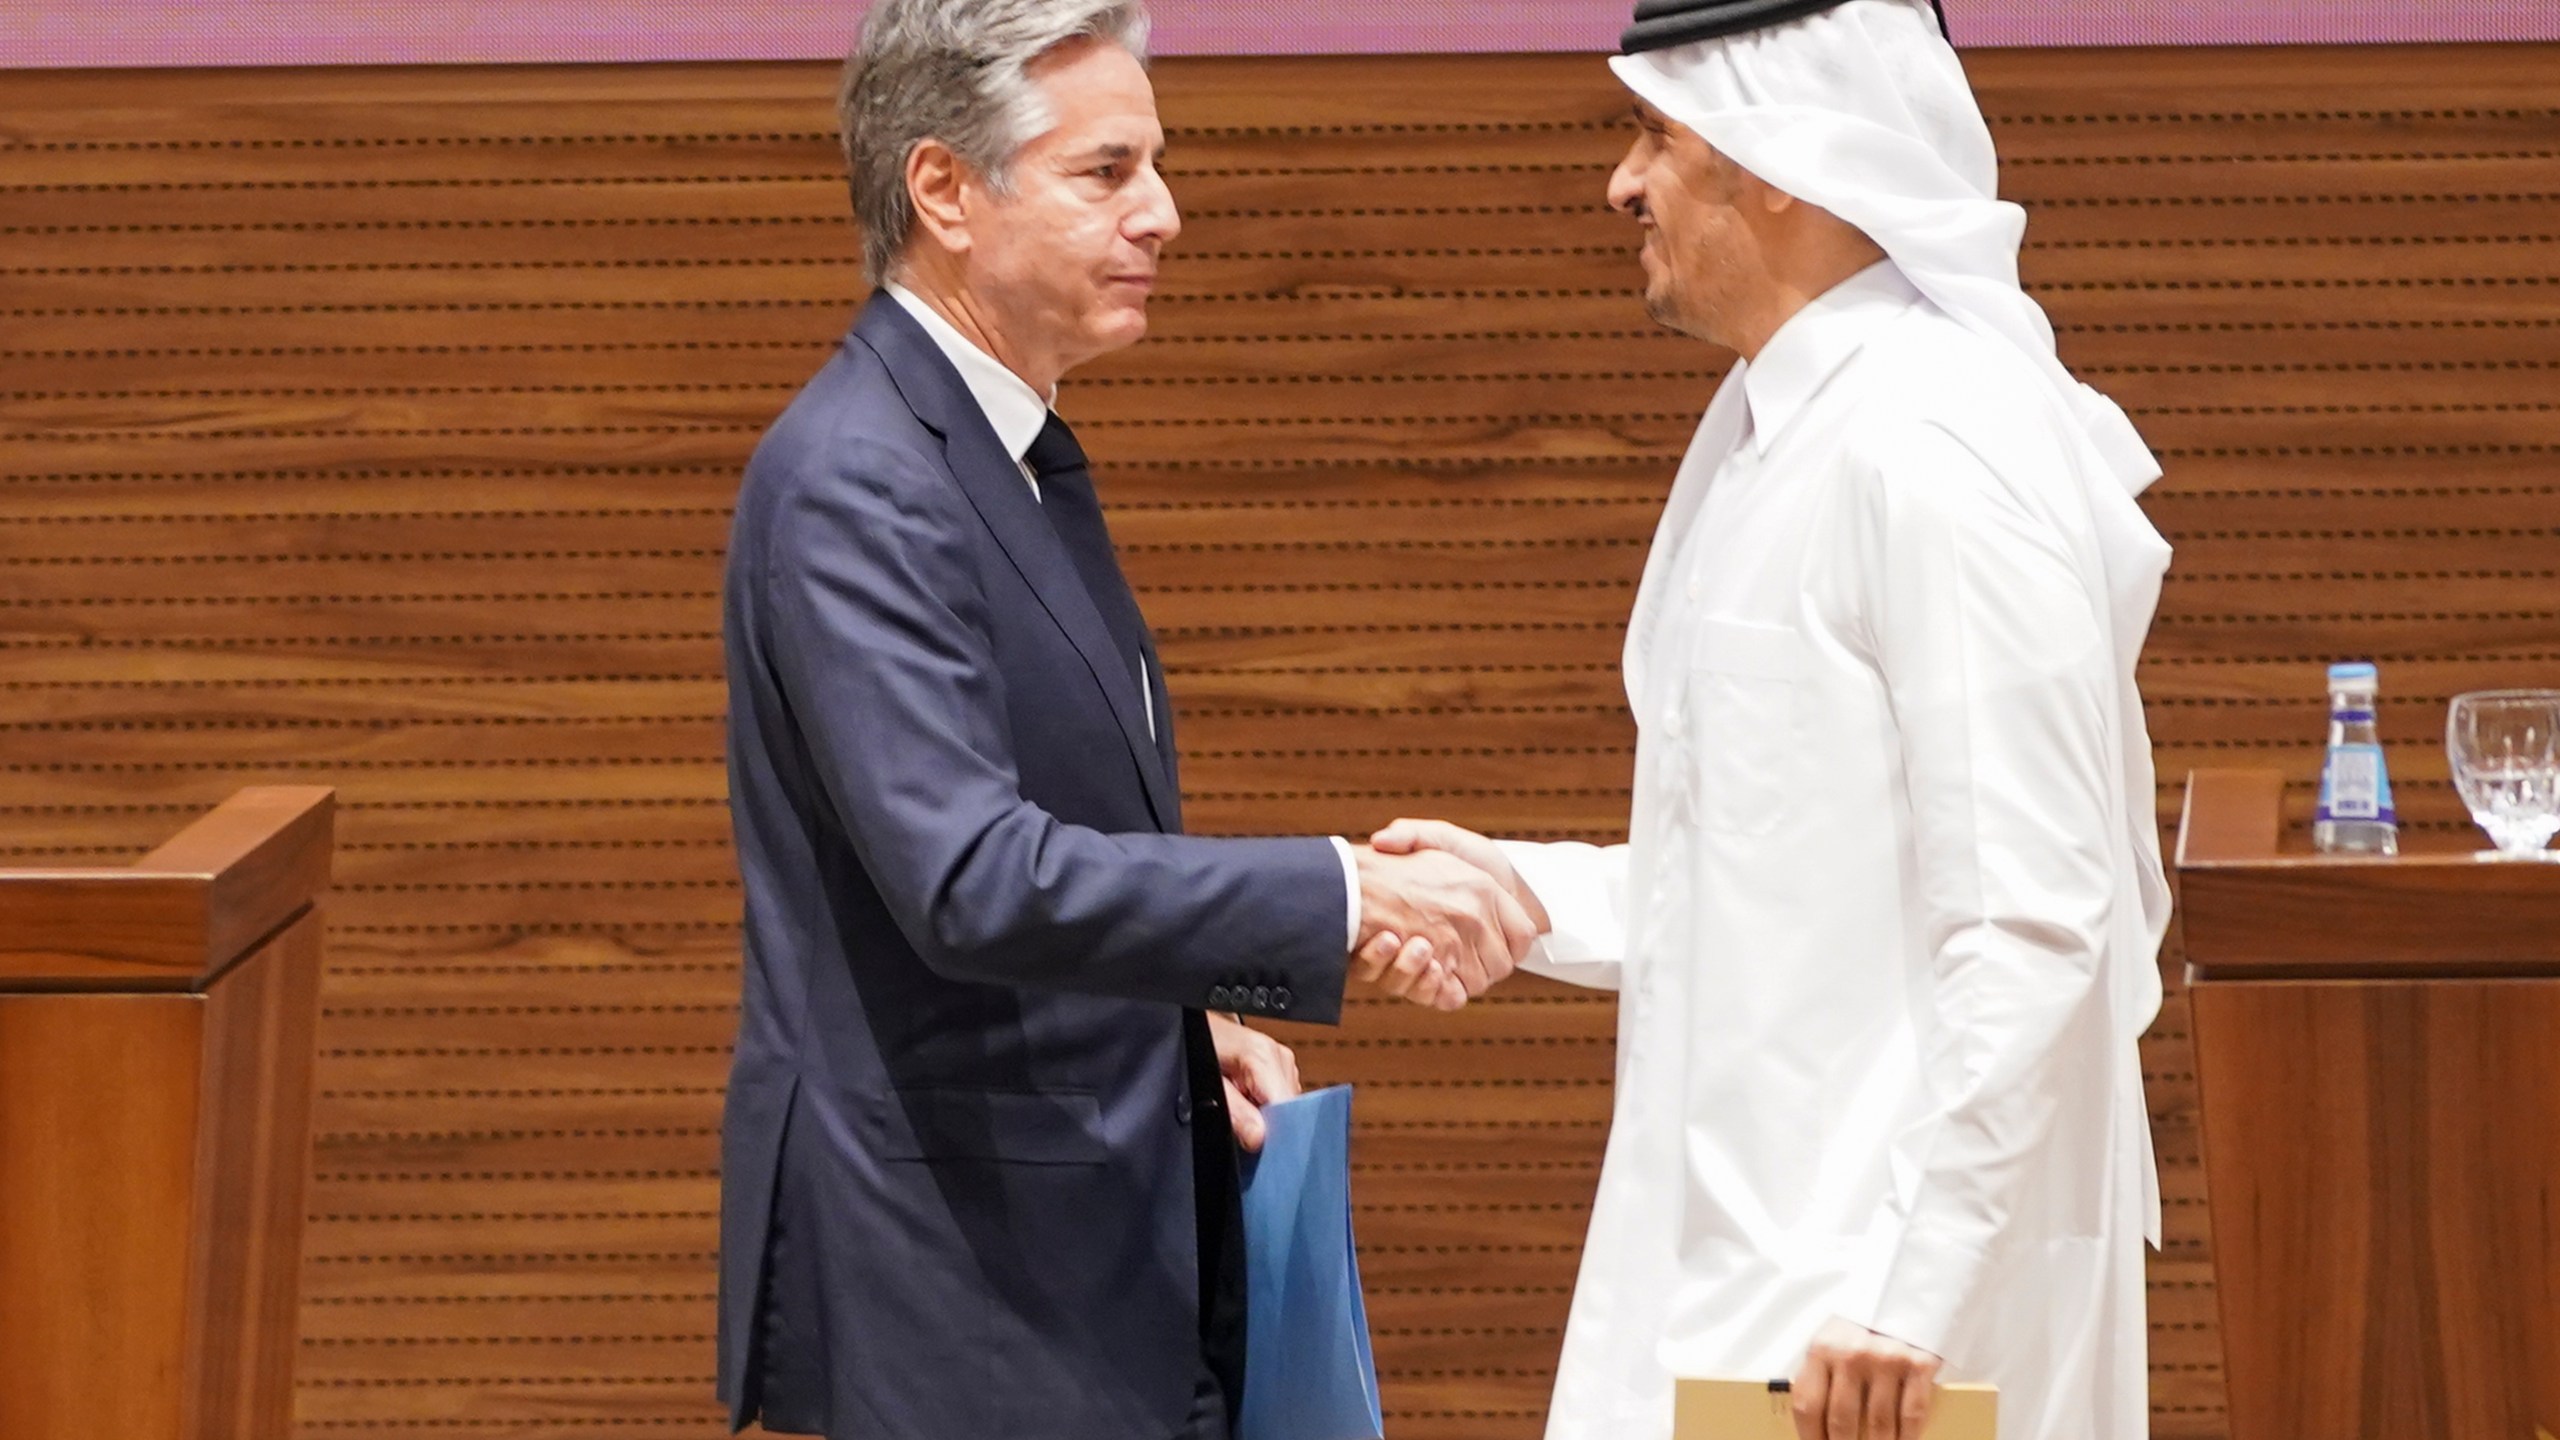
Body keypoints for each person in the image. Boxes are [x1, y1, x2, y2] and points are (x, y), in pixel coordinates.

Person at [715, 3, 1533, 1437]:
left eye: (1154, 166)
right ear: (944, 191)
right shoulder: (861, 477)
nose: (1164, 213)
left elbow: (1051, 829)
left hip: (1074, 1245)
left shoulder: (1000, 445)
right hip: (961, 1295)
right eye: (1107, 174)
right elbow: (967, 877)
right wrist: (1335, 891)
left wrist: (1183, 1016)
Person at [1369, 2, 2177, 1437]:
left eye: (1659, 137)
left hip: (1871, 1332)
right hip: (1752, 1288)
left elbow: (2038, 916)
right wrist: (1523, 893)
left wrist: (1910, 1296)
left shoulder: (1935, 444)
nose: (1624, 183)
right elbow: (1775, 863)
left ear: (1782, 160)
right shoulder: (1780, 426)